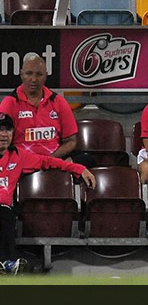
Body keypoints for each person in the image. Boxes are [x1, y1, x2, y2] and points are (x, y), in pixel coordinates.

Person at [0, 111, 96, 275]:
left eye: (8, 130)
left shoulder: (18, 156)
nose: (3, 134)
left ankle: (6, 263)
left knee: (4, 213)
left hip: (3, 211)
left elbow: (49, 162)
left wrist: (79, 168)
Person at [0, 53, 78, 160]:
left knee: (85, 161)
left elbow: (71, 141)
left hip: (54, 162)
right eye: (29, 73)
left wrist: (49, 159)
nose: (34, 79)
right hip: (20, 164)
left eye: (39, 74)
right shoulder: (9, 103)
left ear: (46, 76)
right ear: (21, 74)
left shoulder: (58, 101)